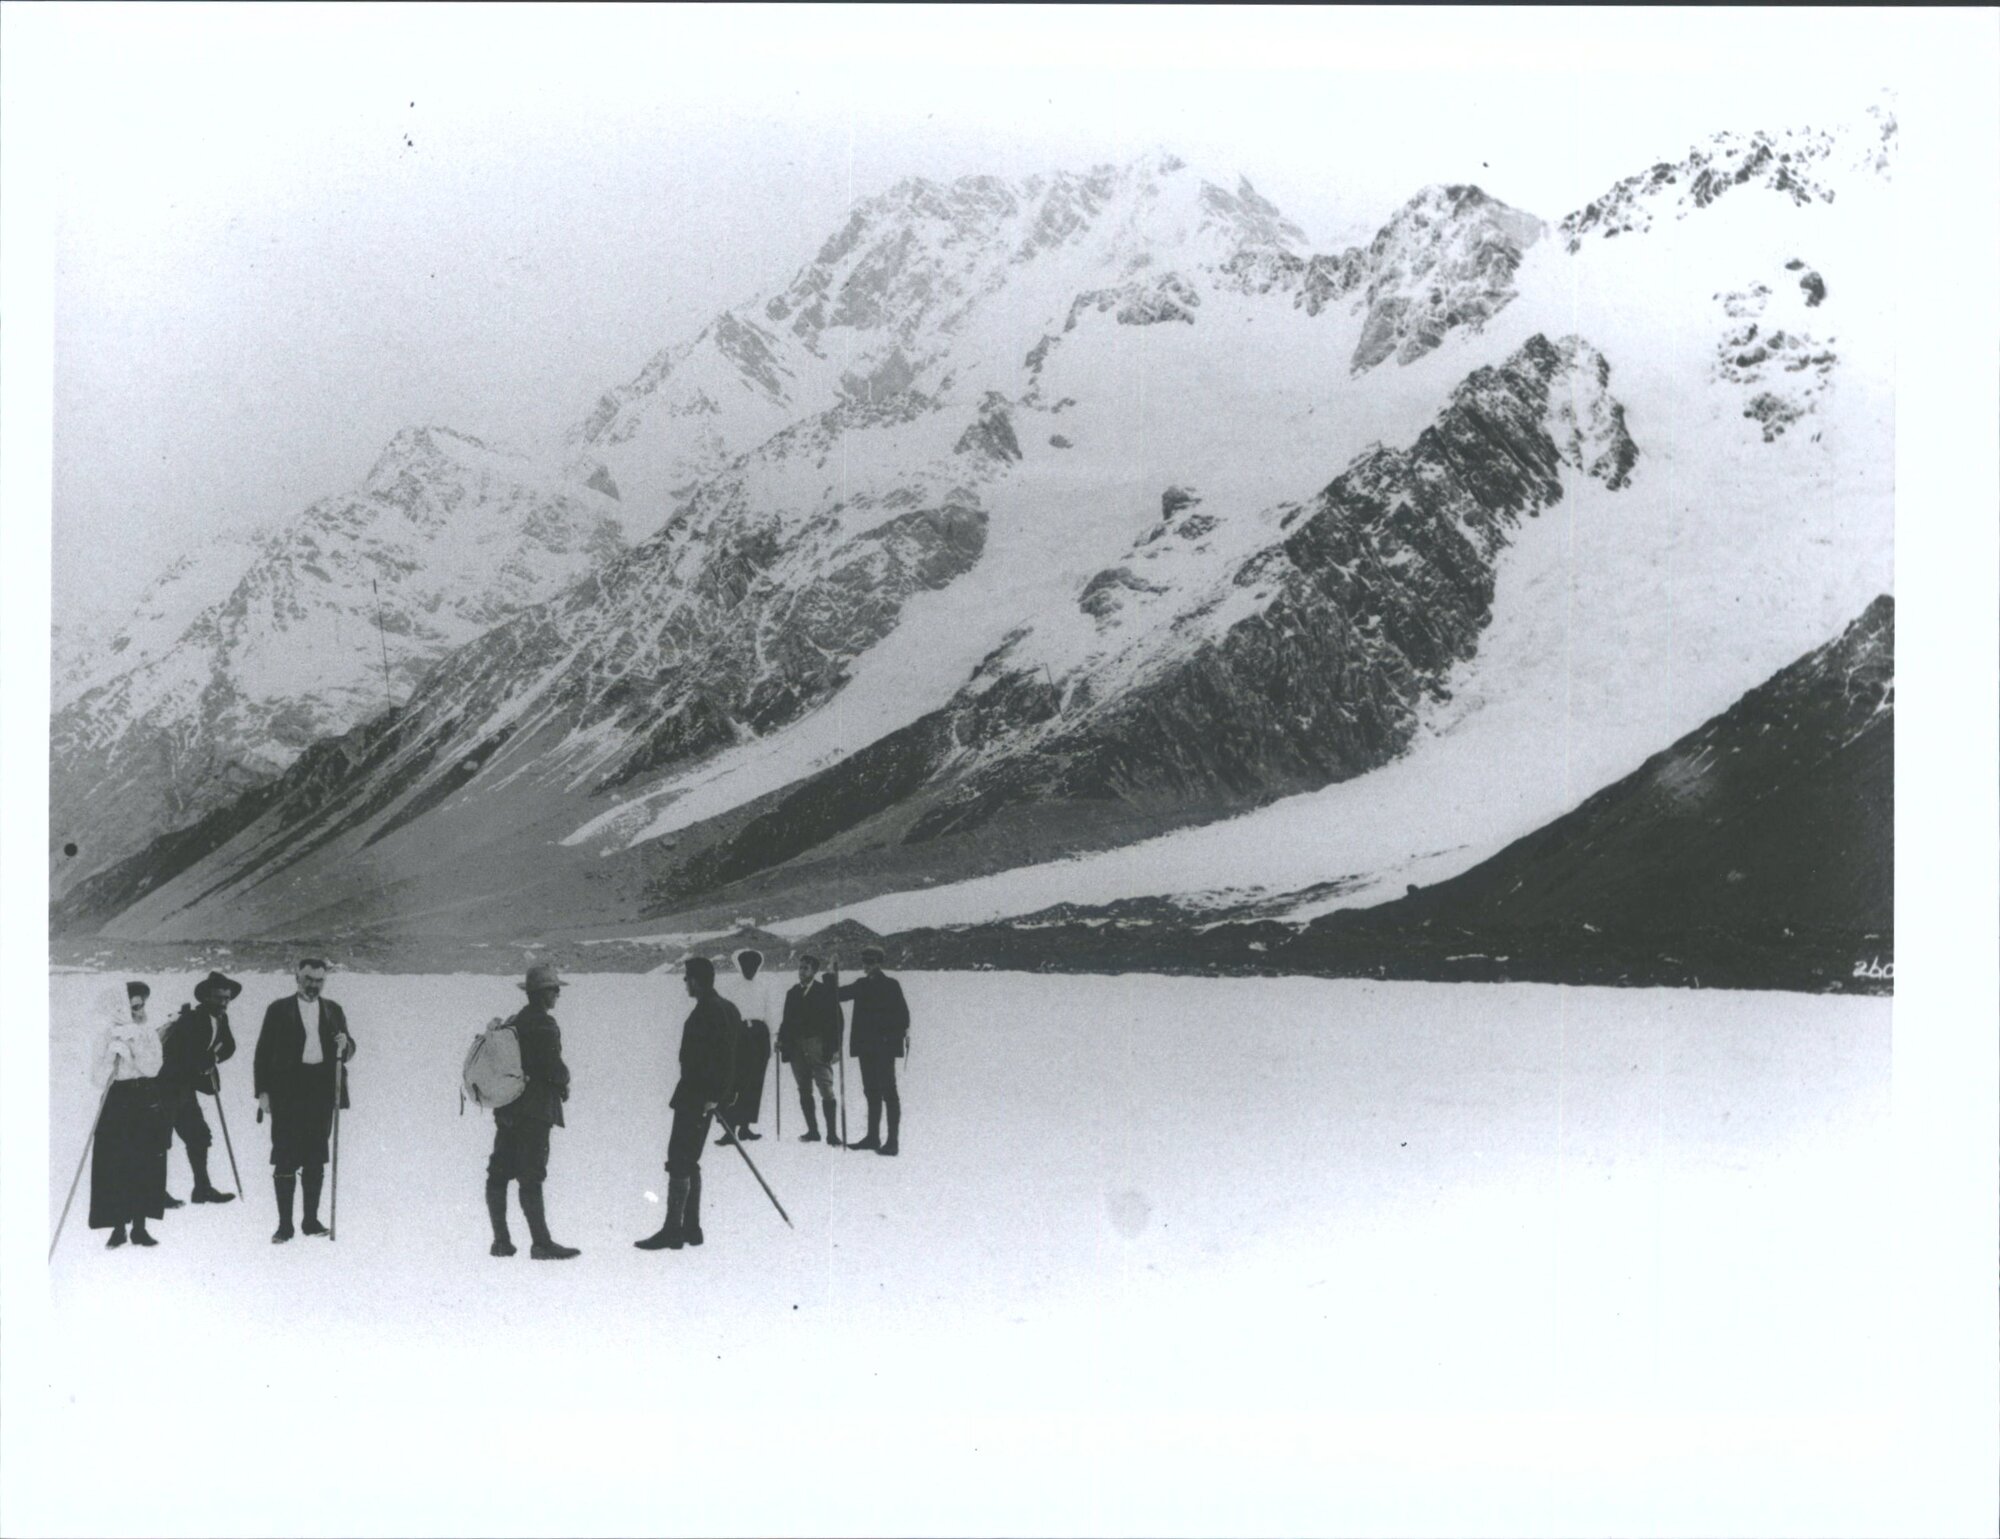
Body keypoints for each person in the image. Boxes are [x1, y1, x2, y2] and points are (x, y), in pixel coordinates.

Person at [636, 956, 738, 1252]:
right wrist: (724, 1095)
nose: (684, 984)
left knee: (679, 1159)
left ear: (695, 980)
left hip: (697, 1097)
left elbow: (717, 1058)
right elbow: (737, 1058)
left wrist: (712, 1095)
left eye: (686, 979)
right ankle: (691, 1229)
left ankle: (673, 1231)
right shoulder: (728, 1008)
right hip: (706, 1097)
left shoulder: (709, 1011)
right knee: (689, 1158)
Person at [253, 958, 354, 1243]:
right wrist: (263, 1092)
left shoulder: (334, 1010)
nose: (313, 985)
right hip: (287, 1093)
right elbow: (262, 1053)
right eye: (308, 979)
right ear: (297, 977)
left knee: (315, 1158)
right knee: (285, 1158)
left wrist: (345, 1045)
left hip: (321, 1093)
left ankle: (310, 1221)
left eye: (319, 980)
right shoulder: (278, 1009)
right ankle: (285, 1226)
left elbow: (348, 1048)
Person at [482, 964, 580, 1260]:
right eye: (554, 989)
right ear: (542, 994)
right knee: (531, 1176)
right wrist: (564, 1080)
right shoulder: (545, 1026)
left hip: (508, 1108)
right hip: (536, 1112)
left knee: (498, 1173)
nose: (558, 994)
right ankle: (541, 1244)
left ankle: (501, 1241)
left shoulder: (514, 1023)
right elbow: (553, 1068)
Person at [88, 981, 168, 1248]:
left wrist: (133, 1045)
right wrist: (111, 1055)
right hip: (116, 1101)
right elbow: (97, 1078)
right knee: (115, 1164)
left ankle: (140, 1228)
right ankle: (118, 1228)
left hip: (144, 1099)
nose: (138, 1011)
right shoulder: (106, 1036)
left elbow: (153, 1068)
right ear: (121, 1008)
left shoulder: (147, 1033)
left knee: (144, 1162)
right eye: (133, 1007)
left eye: (141, 1006)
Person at [158, 970, 241, 1205]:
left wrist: (212, 1058)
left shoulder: (221, 1019)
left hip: (185, 1088)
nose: (223, 1002)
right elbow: (177, 1053)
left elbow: (229, 1047)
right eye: (218, 997)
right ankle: (156, 1192)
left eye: (226, 998)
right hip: (166, 1086)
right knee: (160, 1139)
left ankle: (202, 1189)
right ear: (206, 997)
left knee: (199, 1136)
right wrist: (203, 1061)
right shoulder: (192, 1019)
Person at [833, 946, 910, 1157]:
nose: (866, 966)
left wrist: (888, 1037)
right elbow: (838, 995)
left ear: (879, 963)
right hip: (866, 1048)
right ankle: (872, 1137)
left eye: (870, 962)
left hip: (884, 1049)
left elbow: (903, 1017)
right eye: (864, 962)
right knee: (871, 1092)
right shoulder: (862, 985)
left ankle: (892, 1142)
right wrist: (831, 976)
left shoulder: (891, 986)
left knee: (889, 1093)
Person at [778, 952, 843, 1145]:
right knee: (804, 1089)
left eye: (805, 968)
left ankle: (832, 1134)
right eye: (800, 967)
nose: (801, 971)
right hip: (797, 1047)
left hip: (818, 1046)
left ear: (814, 971)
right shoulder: (792, 993)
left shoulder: (824, 992)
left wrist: (834, 1047)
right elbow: (786, 1022)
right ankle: (813, 1131)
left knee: (826, 1088)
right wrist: (782, 1041)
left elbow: (836, 1021)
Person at [716, 948, 777, 1145]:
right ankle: (730, 1129)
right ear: (739, 966)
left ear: (757, 966)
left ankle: (745, 1128)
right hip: (739, 1035)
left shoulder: (764, 986)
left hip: (759, 1036)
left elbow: (769, 1013)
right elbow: (725, 1014)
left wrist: (774, 1037)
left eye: (753, 965)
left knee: (754, 1082)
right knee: (735, 1082)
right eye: (745, 965)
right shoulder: (732, 987)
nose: (749, 969)